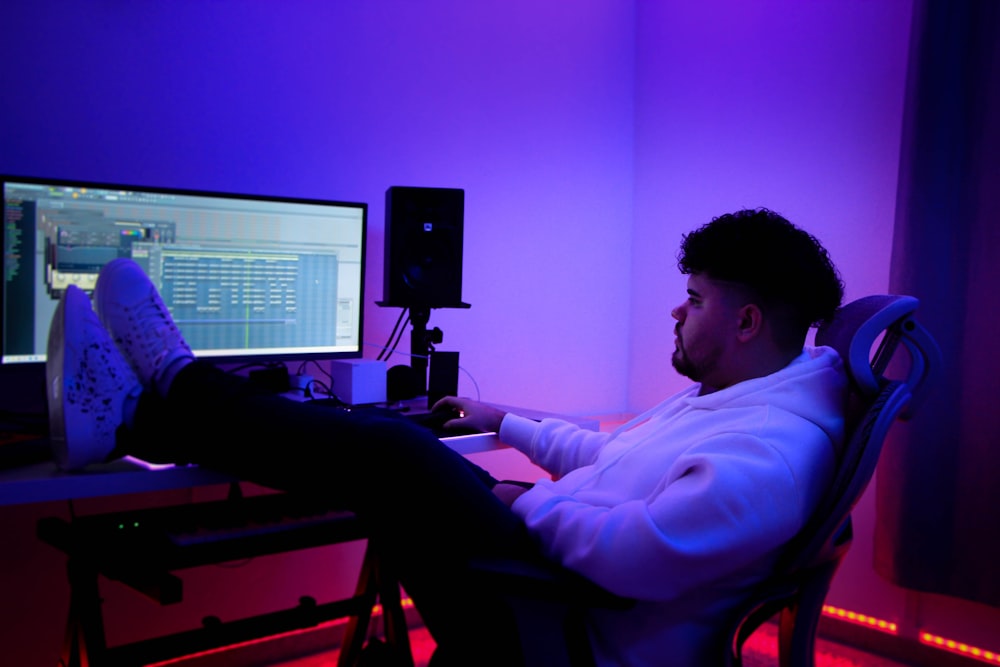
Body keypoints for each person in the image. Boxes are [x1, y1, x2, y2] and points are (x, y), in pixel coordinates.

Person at [47, 208, 846, 667]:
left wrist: (517, 501)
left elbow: (635, 554)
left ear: (746, 321)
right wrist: (506, 422)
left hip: (567, 631)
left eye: (695, 299)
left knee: (392, 454)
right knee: (388, 459)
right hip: (551, 576)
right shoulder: (734, 398)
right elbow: (614, 461)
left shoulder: (772, 451)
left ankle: (157, 393)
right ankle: (139, 408)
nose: (678, 311)